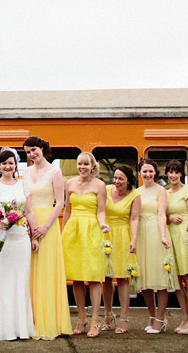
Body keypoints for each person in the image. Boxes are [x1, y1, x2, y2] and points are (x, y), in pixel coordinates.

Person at [0, 147, 38, 340]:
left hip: (20, 239)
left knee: (20, 282)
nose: (8, 166)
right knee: (2, 283)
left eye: (11, 163)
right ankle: (5, 330)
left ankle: (22, 329)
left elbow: (29, 211)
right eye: (4, 163)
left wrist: (35, 235)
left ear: (16, 165)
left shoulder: (23, 185)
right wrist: (2, 223)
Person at [23, 136, 72, 339]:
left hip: (48, 225)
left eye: (33, 150)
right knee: (30, 272)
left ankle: (49, 321)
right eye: (27, 152)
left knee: (46, 271)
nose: (31, 154)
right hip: (28, 224)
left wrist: (45, 227)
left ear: (42, 148)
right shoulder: (25, 172)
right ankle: (31, 321)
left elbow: (60, 202)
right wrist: (28, 223)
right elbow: (24, 200)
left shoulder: (55, 171)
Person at [62, 151, 110, 338]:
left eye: (86, 165)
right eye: (79, 164)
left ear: (93, 166)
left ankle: (95, 320)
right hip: (73, 230)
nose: (82, 167)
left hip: (92, 230)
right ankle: (81, 319)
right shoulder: (70, 184)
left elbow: (100, 211)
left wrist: (103, 224)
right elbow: (67, 210)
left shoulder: (100, 185)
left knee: (94, 276)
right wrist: (63, 233)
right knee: (76, 277)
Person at [132, 158, 172, 335]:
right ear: (139, 173)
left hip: (156, 233)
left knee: (160, 278)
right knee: (145, 280)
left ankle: (161, 318)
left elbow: (162, 214)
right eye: (144, 171)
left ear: (155, 173)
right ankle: (152, 315)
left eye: (150, 171)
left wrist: (163, 235)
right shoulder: (136, 192)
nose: (147, 174)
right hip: (141, 234)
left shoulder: (161, 190)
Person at [101, 165, 140, 334]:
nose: (116, 182)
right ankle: (108, 315)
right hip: (106, 235)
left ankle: (124, 319)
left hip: (123, 235)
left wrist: (134, 239)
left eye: (121, 179)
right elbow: (100, 211)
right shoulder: (106, 190)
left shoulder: (135, 195)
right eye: (115, 178)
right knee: (106, 278)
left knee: (123, 278)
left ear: (128, 181)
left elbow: (134, 218)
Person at [166, 159, 188, 334]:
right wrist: (170, 218)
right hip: (171, 236)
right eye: (170, 172)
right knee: (177, 280)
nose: (173, 175)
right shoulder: (165, 193)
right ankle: (185, 317)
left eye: (176, 172)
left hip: (185, 235)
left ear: (181, 174)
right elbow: (162, 214)